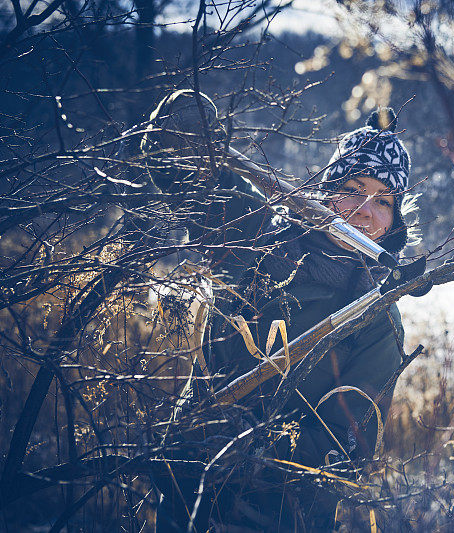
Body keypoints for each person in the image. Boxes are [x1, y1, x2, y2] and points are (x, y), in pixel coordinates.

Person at [145, 91, 414, 531]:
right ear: (325, 193)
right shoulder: (255, 238)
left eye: (384, 200)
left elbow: (347, 448)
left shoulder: (376, 317)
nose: (366, 213)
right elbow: (174, 165)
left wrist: (251, 449)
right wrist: (188, 119)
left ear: (394, 219)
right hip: (187, 491)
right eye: (352, 190)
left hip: (285, 516)